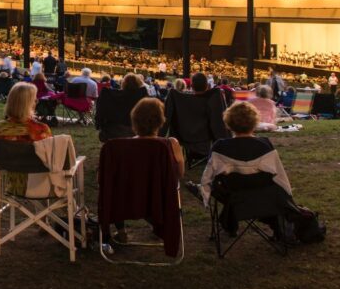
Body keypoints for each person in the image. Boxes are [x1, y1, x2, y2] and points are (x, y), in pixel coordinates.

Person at [198, 102, 293, 237]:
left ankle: (228, 223)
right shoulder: (264, 145)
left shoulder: (220, 147)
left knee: (217, 184)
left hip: (233, 196)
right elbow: (280, 177)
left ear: (229, 123)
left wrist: (204, 195)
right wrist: (288, 200)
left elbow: (207, 178)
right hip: (264, 196)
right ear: (254, 122)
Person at [111, 97, 185, 243]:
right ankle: (160, 227)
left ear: (135, 120)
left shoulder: (122, 147)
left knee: (116, 188)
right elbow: (180, 174)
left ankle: (121, 231)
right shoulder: (171, 144)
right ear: (160, 120)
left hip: (128, 198)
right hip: (159, 197)